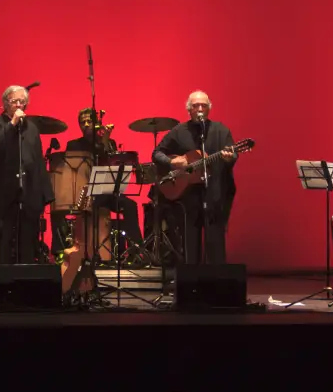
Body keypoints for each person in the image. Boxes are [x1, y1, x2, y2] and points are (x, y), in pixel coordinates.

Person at [151, 91, 237, 264]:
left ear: (209, 109)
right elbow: (156, 153)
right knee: (191, 245)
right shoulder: (179, 131)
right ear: (188, 110)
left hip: (214, 194)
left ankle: (216, 282)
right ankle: (192, 284)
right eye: (195, 106)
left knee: (215, 244)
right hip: (188, 197)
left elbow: (232, 155)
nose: (199, 109)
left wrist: (230, 157)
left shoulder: (221, 130)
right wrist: (172, 162)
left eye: (203, 106)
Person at [49, 108, 143, 257]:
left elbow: (112, 165)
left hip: (104, 191)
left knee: (130, 205)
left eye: (89, 121)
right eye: (82, 122)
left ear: (97, 123)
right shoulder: (73, 145)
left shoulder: (108, 142)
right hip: (83, 193)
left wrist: (105, 142)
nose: (85, 124)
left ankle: (136, 250)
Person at [0, 85, 53, 265]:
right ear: (6, 104)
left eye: (23, 102)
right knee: (2, 242)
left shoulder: (32, 129)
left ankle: (26, 284)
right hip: (3, 195)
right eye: (15, 101)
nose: (20, 105)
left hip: (28, 192)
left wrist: (45, 194)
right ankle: (1, 284)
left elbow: (37, 160)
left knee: (28, 241)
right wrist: (12, 124)